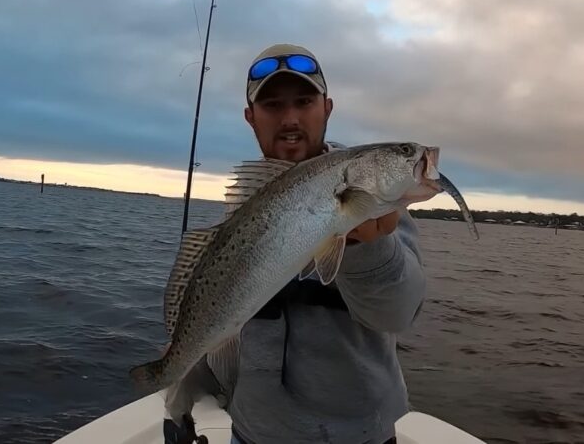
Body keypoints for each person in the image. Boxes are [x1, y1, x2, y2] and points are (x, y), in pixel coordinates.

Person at [164, 43, 427, 444]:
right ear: (251, 118)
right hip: (252, 434)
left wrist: (367, 247)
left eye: (304, 101)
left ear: (327, 108)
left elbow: (399, 314)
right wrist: (179, 379)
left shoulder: (382, 211)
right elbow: (213, 321)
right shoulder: (236, 221)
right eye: (272, 106)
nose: (290, 118)